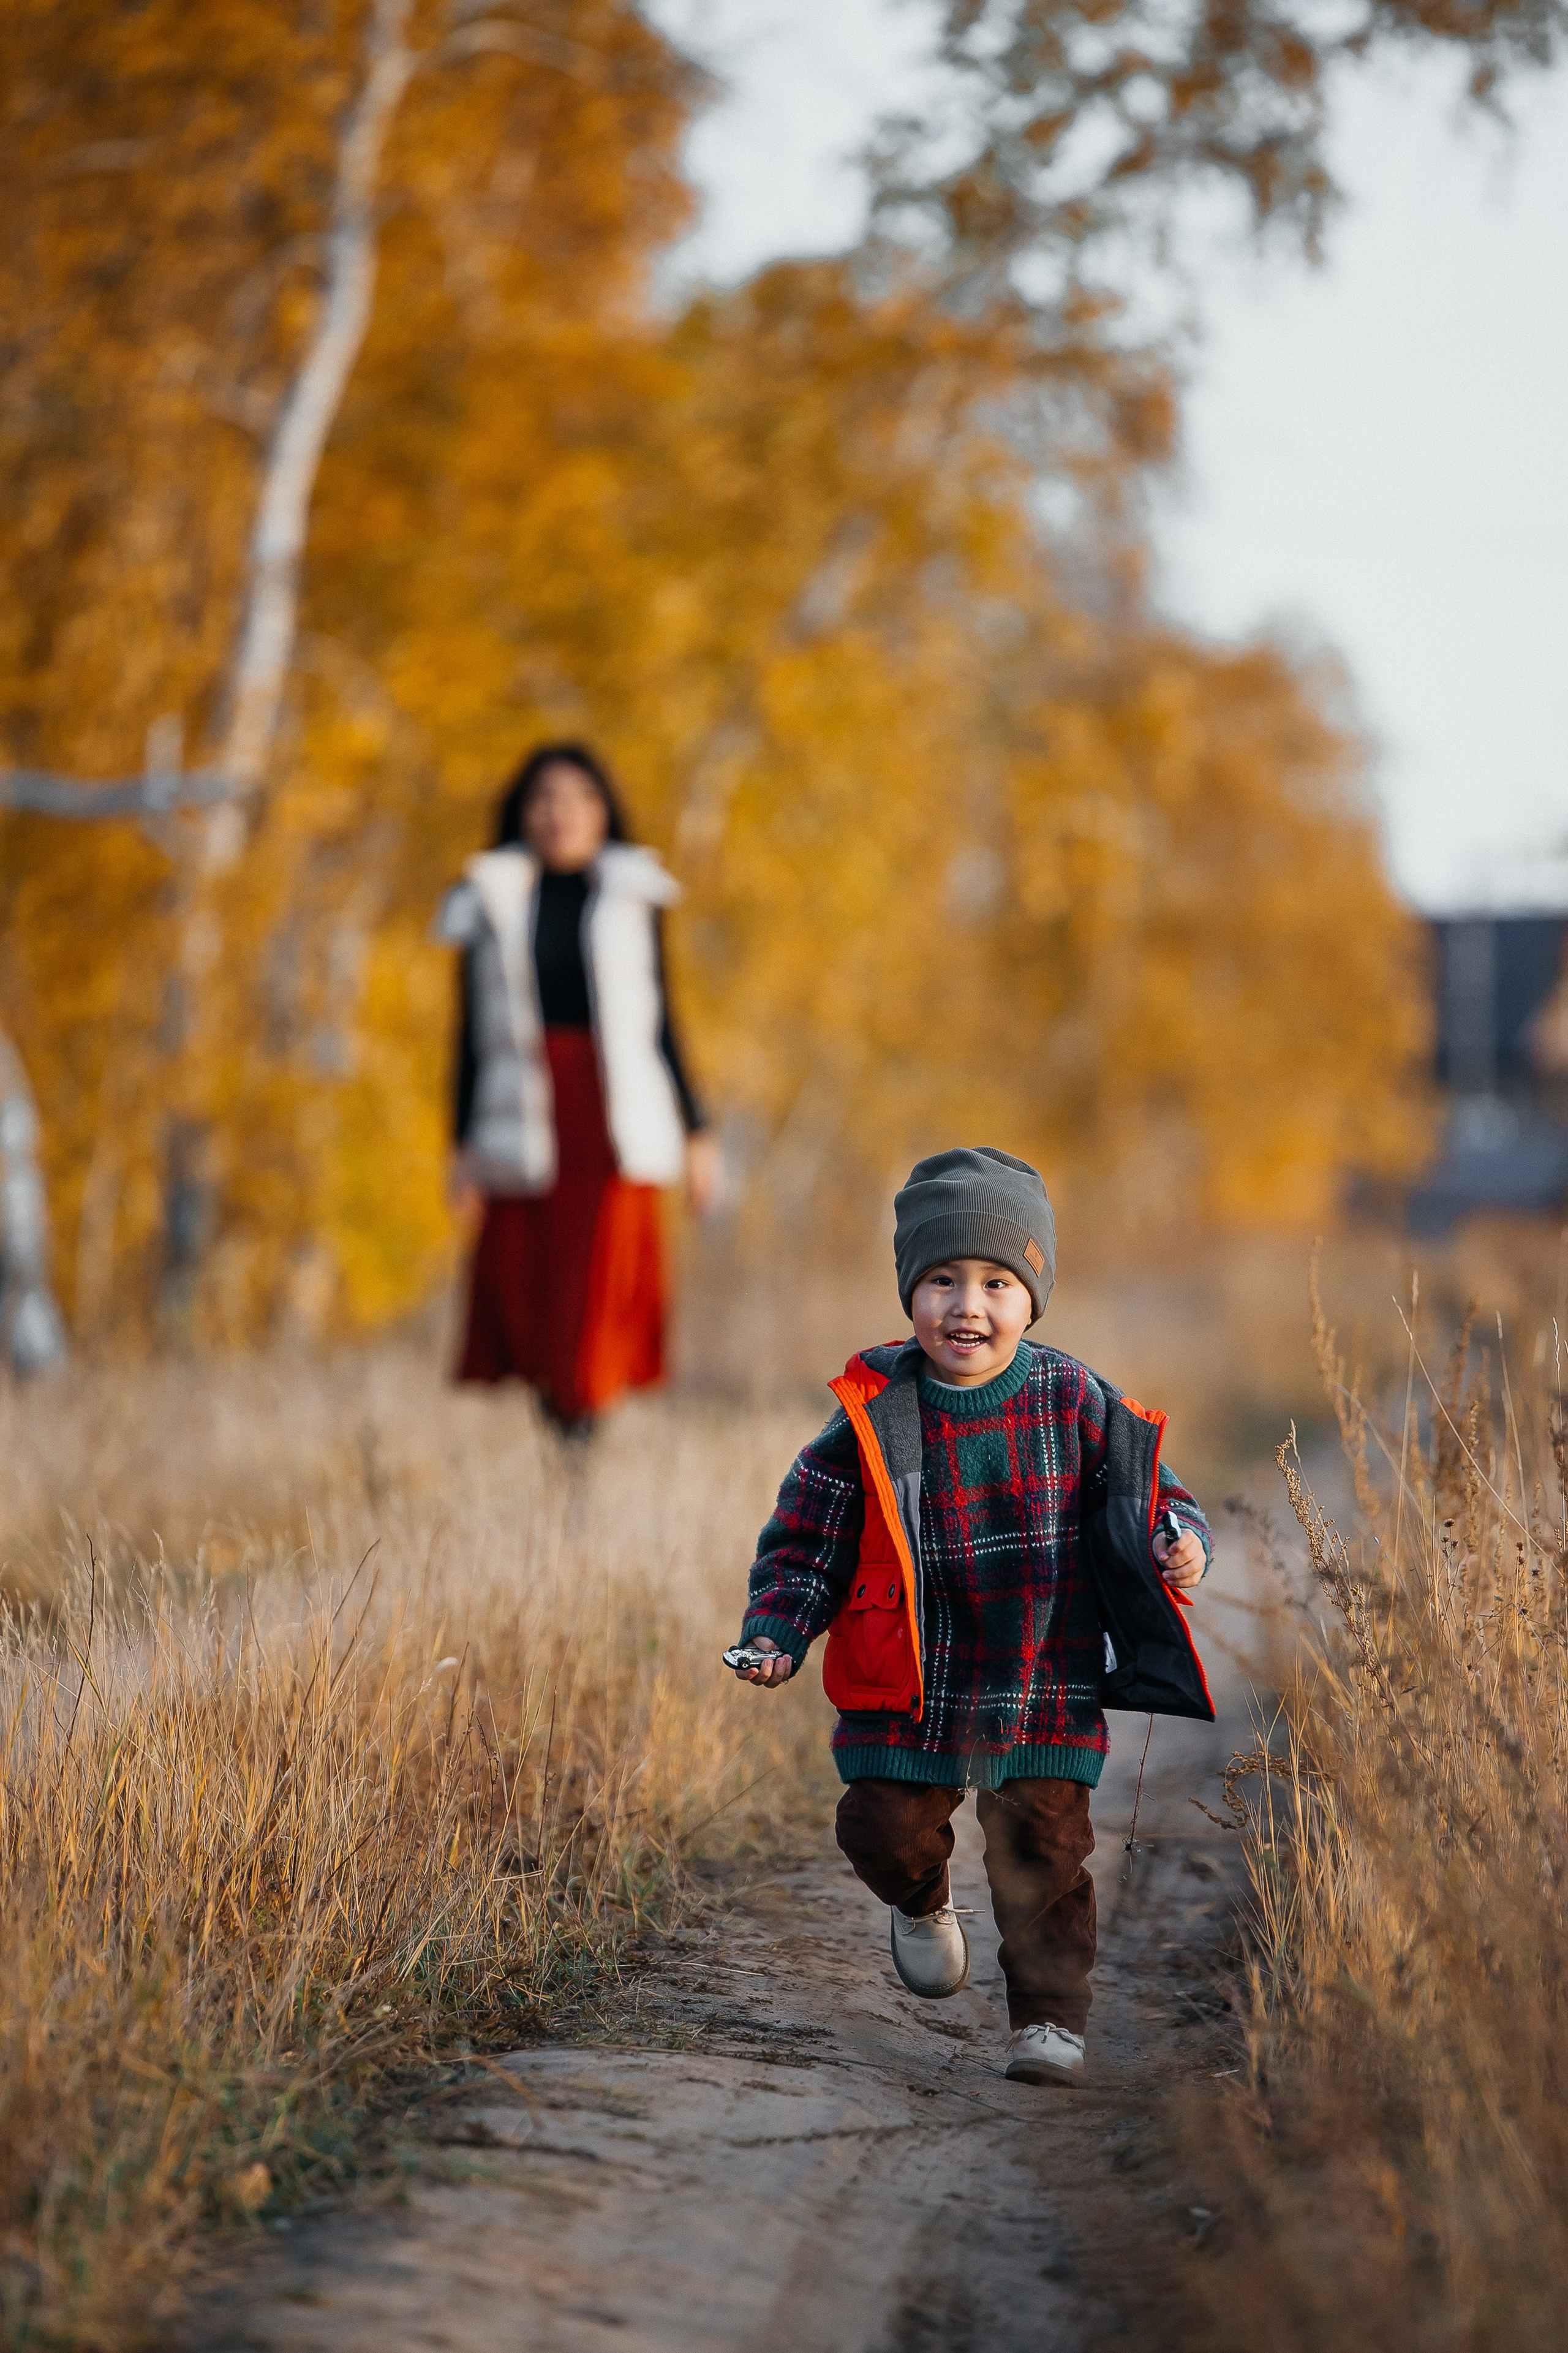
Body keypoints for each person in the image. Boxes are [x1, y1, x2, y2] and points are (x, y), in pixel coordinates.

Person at [731, 1146, 1212, 2086]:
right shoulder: (876, 1411)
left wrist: (1178, 1537)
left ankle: (1047, 2020)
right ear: (910, 1291)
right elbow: (807, 1542)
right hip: (913, 1684)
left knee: (1047, 1857)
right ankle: (922, 1904)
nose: (969, 1305)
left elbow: (1151, 1495)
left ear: (1034, 1296)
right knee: (880, 1829)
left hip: (1043, 1676)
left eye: (998, 1281)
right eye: (943, 1279)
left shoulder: (1072, 1399)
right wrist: (775, 1630)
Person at [435, 742, 717, 1431]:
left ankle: (583, 1447)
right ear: (521, 812)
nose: (560, 814)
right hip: (522, 1114)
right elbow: (468, 1031)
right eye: (544, 799)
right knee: (533, 1298)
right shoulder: (489, 897)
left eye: (577, 798)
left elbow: (665, 1019)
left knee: (599, 1291)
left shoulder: (632, 892)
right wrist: (460, 1146)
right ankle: (562, 1440)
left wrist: (698, 1130)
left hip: (611, 1119)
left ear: (602, 811)